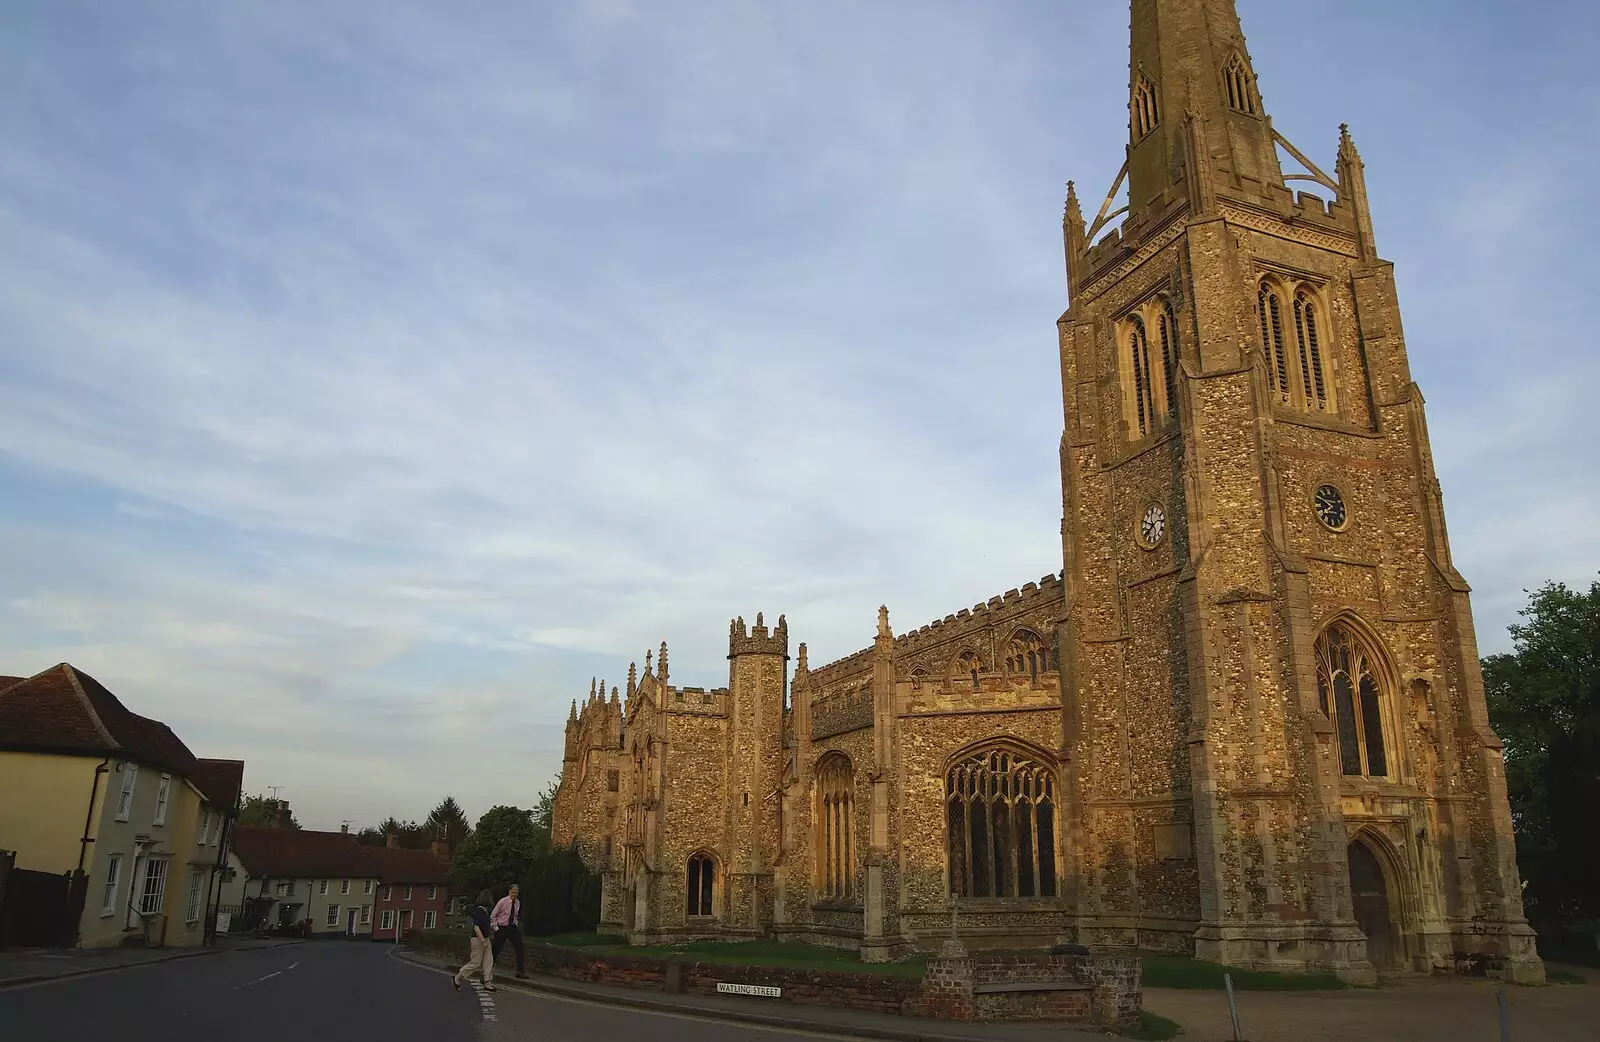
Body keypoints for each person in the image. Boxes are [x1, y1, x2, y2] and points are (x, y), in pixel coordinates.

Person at [452, 890, 496, 992]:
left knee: (489, 961)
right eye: (491, 898)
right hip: (477, 939)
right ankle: (457, 977)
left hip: (485, 939)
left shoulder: (485, 911)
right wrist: (483, 940)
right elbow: (476, 927)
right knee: (476, 963)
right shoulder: (479, 911)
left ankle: (487, 983)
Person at [489, 882, 526, 979]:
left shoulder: (517, 902)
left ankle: (520, 972)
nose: (515, 894)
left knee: (520, 947)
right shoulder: (502, 902)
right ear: (509, 892)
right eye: (513, 892)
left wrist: (516, 923)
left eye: (516, 893)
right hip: (502, 927)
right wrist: (496, 928)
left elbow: (515, 915)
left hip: (512, 927)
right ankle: (487, 971)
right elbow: (493, 915)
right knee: (495, 950)